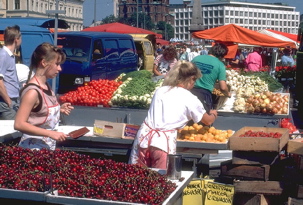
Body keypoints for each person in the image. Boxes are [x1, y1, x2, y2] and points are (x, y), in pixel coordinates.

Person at [129, 61, 218, 169]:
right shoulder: (190, 98)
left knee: (136, 177)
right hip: (161, 143)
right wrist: (213, 114)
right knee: (159, 181)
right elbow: (207, 121)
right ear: (191, 79)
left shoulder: (160, 91)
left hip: (143, 139)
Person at [14, 42, 74, 151]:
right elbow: (19, 124)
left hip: (46, 150)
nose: (60, 68)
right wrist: (50, 133)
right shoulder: (32, 92)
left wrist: (59, 110)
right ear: (44, 63)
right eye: (57, 64)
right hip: (32, 152)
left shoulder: (46, 86)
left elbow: (38, 114)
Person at [191, 42, 230, 113]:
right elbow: (223, 87)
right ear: (222, 55)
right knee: (203, 120)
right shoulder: (220, 65)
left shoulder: (196, 59)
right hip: (204, 94)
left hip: (189, 91)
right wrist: (227, 93)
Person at [0, 25, 22, 120]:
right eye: (21, 38)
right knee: (10, 133)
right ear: (16, 39)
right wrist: (8, 101)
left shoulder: (9, 55)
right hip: (6, 101)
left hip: (12, 100)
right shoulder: (3, 55)